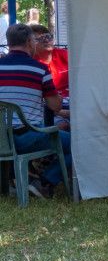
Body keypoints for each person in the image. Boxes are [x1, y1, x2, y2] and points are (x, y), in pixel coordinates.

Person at [0, 23, 71, 198]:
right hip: (25, 138)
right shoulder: (39, 69)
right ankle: (44, 183)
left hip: (1, 138)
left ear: (9, 43)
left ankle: (25, 177)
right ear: (31, 43)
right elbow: (55, 106)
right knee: (78, 144)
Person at [30, 24, 70, 130]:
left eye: (49, 37)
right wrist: (60, 112)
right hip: (49, 106)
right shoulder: (32, 63)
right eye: (42, 38)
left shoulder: (64, 55)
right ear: (32, 43)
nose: (47, 41)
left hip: (73, 101)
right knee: (63, 127)